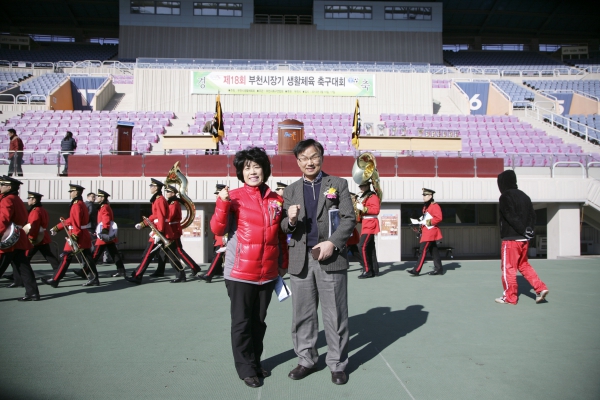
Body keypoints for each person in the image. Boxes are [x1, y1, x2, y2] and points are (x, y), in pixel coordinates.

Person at [210, 147, 288, 388]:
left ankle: (255, 362)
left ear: (265, 169)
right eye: (247, 167)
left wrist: (282, 265)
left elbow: (281, 237)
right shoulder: (232, 198)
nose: (253, 171)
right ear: (240, 173)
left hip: (267, 273)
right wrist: (222, 204)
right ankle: (245, 368)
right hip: (240, 273)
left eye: (257, 166)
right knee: (242, 323)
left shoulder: (276, 199)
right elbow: (217, 229)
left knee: (259, 323)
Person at [280, 138, 356, 386]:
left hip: (331, 257)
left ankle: (337, 364)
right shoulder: (290, 190)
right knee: (302, 315)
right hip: (300, 260)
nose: (308, 162)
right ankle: (307, 360)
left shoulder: (339, 184)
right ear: (298, 162)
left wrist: (332, 243)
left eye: (313, 157)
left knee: (335, 315)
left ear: (321, 157)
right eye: (303, 158)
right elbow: (284, 228)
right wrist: (290, 221)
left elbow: (348, 219)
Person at [495, 170, 549, 305]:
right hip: (524, 239)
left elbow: (510, 216)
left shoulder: (505, 196)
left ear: (502, 183)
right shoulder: (525, 196)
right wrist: (528, 231)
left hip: (511, 239)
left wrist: (521, 230)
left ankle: (510, 297)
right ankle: (540, 288)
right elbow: (532, 216)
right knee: (523, 265)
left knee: (508, 268)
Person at [125, 178, 183, 285]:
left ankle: (137, 275)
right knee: (171, 254)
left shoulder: (159, 199)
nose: (150, 188)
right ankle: (181, 275)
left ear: (156, 187)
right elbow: (155, 216)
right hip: (161, 231)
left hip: (160, 232)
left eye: (151, 186)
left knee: (147, 254)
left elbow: (160, 218)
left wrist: (158, 233)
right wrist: (143, 224)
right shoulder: (157, 199)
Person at [41, 184, 100, 288]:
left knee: (66, 257)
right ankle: (94, 278)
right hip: (82, 234)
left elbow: (76, 222)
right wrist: (58, 227)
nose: (70, 193)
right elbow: (72, 220)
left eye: (71, 191)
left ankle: (55, 279)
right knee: (87, 257)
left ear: (76, 192)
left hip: (77, 234)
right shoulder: (80, 204)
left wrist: (74, 237)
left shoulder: (77, 205)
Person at [0, 176, 40, 301]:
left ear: (9, 187)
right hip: (18, 237)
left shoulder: (7, 200)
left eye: (2, 185)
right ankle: (32, 293)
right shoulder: (17, 199)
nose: (0, 187)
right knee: (24, 268)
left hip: (8, 238)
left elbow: (3, 219)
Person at [151, 185, 201, 280]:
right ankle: (160, 270)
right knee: (164, 252)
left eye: (169, 192)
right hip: (171, 228)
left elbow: (169, 216)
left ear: (173, 193)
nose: (167, 193)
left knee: (178, 251)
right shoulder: (170, 202)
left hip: (174, 230)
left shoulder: (174, 203)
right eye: (166, 192)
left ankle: (194, 267)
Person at [407, 188, 444, 276]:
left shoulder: (435, 206)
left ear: (430, 196)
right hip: (426, 231)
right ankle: (439, 269)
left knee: (422, 250)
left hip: (430, 231)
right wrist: (418, 222)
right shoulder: (426, 206)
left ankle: (416, 270)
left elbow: (439, 218)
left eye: (425, 195)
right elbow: (425, 217)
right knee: (434, 250)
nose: (423, 197)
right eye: (423, 195)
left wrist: (426, 222)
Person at [199, 184, 227, 283]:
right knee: (218, 254)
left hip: (223, 235)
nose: (216, 195)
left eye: (217, 193)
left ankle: (209, 274)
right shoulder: (219, 203)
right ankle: (216, 271)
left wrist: (225, 237)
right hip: (219, 235)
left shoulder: (226, 203)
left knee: (218, 255)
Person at [356, 180, 380, 279]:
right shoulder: (365, 196)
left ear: (367, 186)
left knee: (362, 246)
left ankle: (367, 270)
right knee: (370, 248)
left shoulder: (372, 196)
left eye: (362, 186)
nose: (360, 188)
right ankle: (374, 269)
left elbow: (376, 210)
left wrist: (363, 208)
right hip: (366, 223)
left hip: (370, 223)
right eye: (360, 186)